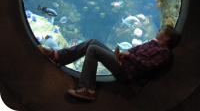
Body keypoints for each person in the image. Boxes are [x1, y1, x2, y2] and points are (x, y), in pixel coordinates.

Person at [38, 25, 181, 100]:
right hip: (124, 63)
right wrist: (123, 55)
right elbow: (135, 50)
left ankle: (87, 90)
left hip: (127, 73)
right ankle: (59, 56)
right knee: (93, 41)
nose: (159, 30)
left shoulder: (165, 53)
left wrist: (129, 56)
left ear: (167, 37)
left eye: (162, 30)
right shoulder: (154, 43)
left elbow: (148, 66)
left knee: (93, 49)